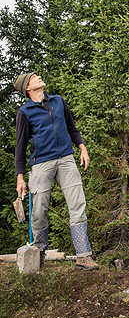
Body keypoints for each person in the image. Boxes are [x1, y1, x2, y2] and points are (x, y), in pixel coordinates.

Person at [14, 72, 98, 270]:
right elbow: (19, 147)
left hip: (67, 160)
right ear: (27, 87)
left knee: (78, 204)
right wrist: (20, 177)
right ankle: (39, 252)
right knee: (39, 210)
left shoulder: (58, 101)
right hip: (41, 164)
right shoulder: (24, 113)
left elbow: (71, 128)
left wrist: (82, 148)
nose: (39, 77)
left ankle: (83, 256)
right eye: (34, 77)